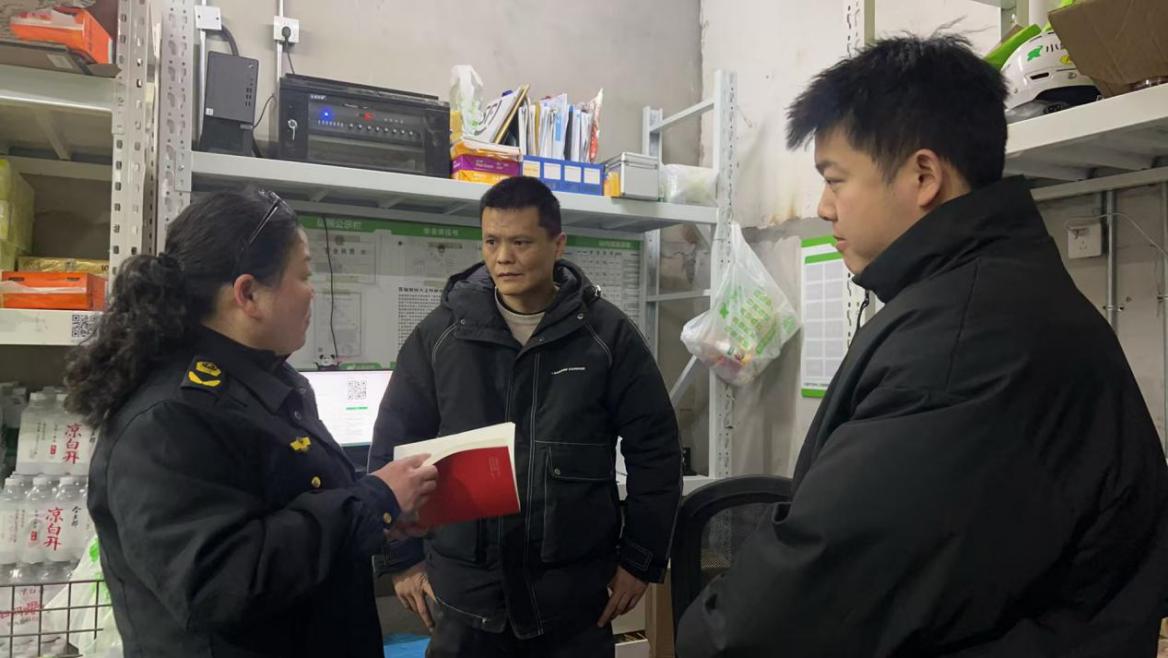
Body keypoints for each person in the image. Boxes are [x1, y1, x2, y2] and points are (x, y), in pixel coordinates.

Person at [677, 34, 1168, 657]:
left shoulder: (965, 343)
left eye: (835, 179)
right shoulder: (985, 298)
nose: (824, 207)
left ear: (923, 176)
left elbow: (781, 619)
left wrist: (698, 635)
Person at [64, 189, 440, 658]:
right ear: (248, 294)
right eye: (303, 275)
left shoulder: (267, 382)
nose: (312, 291)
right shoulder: (170, 418)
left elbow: (293, 506)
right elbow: (221, 580)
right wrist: (373, 500)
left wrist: (378, 516)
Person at [369, 176, 682, 657]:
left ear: (558, 244)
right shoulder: (443, 335)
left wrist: (640, 561)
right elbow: (392, 443)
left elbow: (656, 450)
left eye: (520, 242)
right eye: (491, 242)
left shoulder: (606, 337)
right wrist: (401, 560)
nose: (503, 258)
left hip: (572, 601)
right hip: (466, 598)